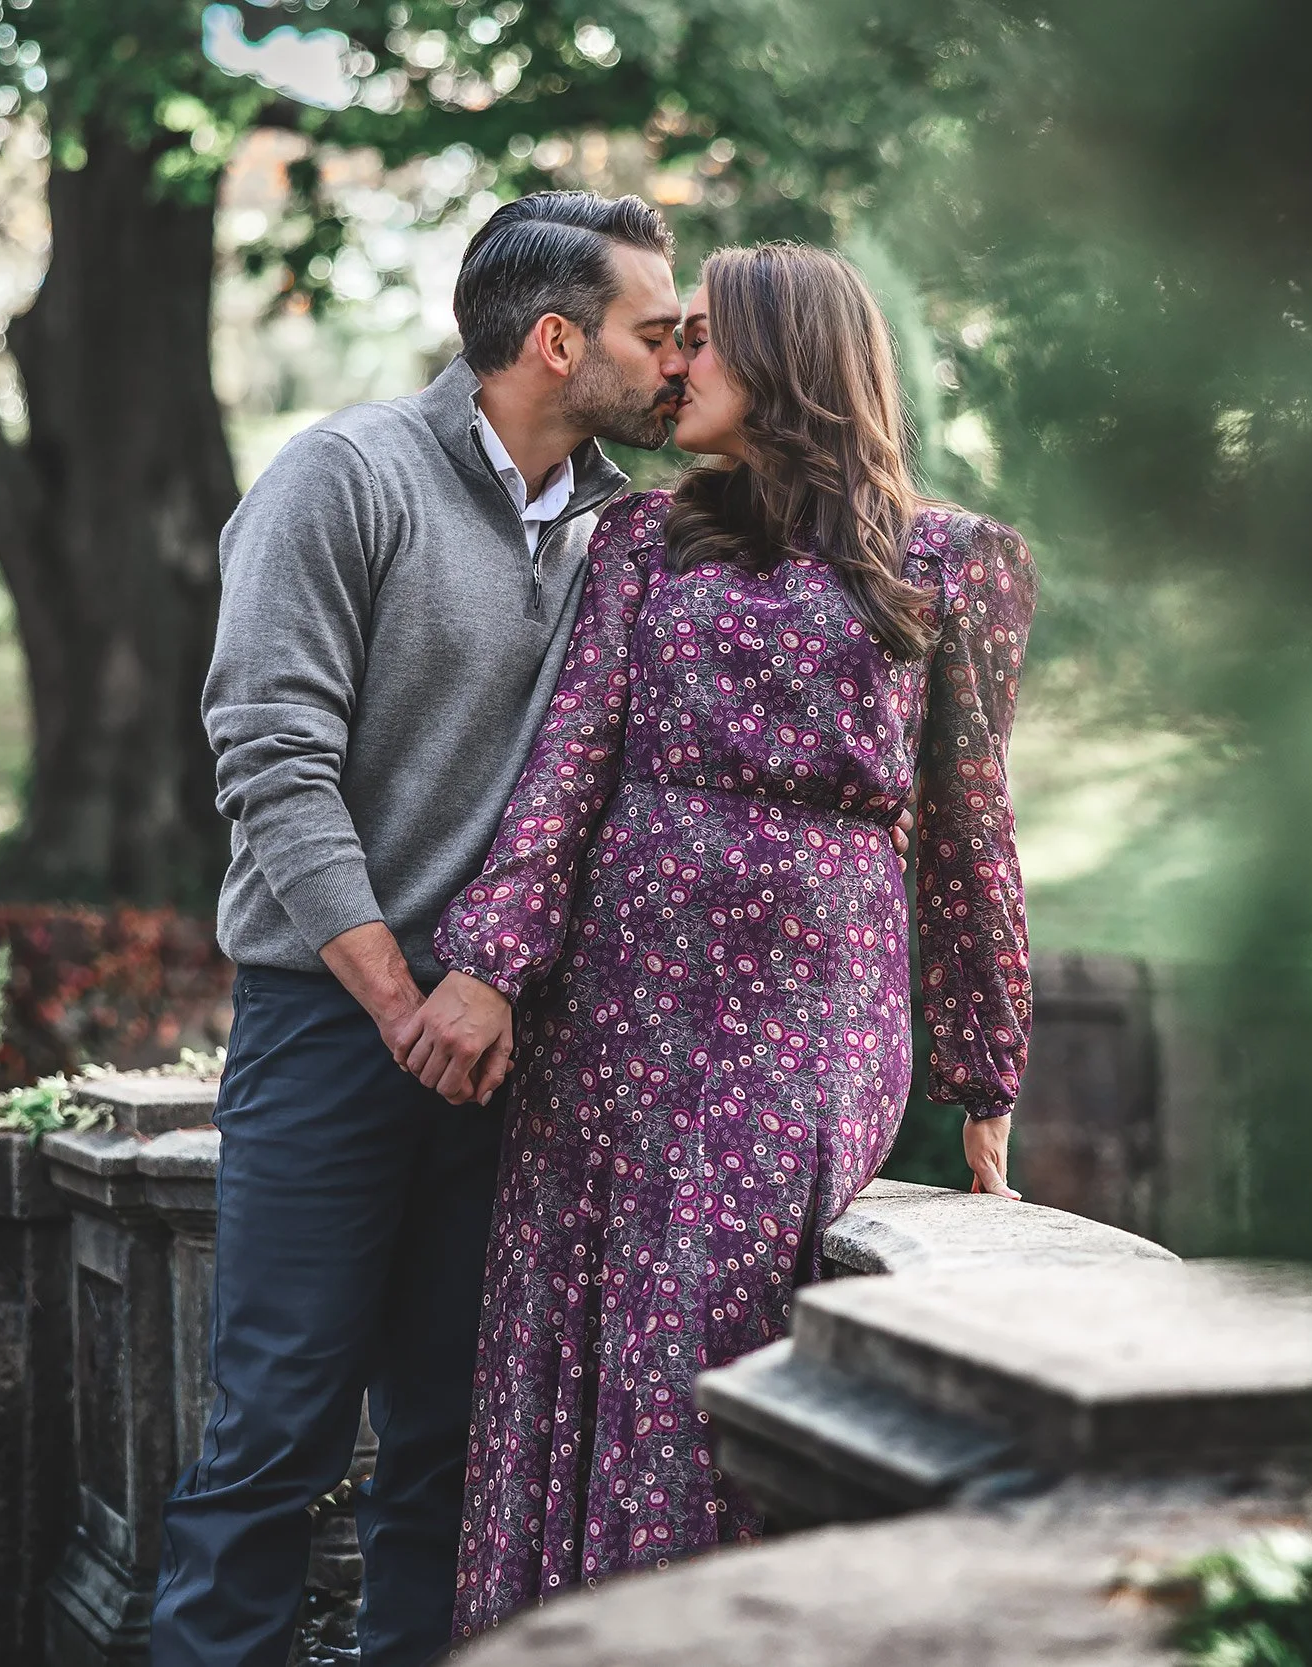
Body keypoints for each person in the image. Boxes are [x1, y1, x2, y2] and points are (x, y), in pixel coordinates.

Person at [404, 242, 1037, 1636]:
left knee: (709, 1342)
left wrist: (985, 1073)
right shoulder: (645, 540)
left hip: (805, 1021)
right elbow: (565, 774)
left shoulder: (953, 560)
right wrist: (493, 965)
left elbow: (969, 831)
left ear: (791, 362)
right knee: (570, 1353)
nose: (671, 365)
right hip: (614, 1014)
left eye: (700, 340)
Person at [156, 191, 692, 1667]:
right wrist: (403, 998)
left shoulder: (623, 534)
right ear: (556, 338)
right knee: (277, 1425)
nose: (678, 360)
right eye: (657, 331)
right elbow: (270, 753)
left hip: (507, 1042)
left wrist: (491, 991)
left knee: (453, 1444)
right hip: (335, 1024)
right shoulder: (344, 477)